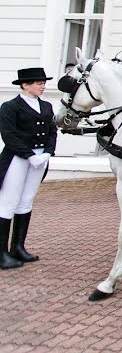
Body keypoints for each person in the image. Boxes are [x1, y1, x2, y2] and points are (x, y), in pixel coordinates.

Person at [0, 67, 57, 269]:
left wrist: (48, 152)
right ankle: (1, 253)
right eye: (38, 83)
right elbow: (9, 135)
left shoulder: (47, 106)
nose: (42, 86)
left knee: (26, 201)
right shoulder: (10, 107)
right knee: (8, 201)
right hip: (18, 157)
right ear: (25, 85)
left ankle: (18, 248)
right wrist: (28, 155)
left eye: (43, 83)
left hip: (40, 158)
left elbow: (52, 131)